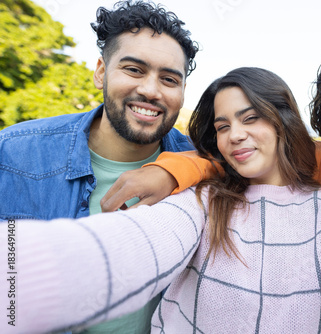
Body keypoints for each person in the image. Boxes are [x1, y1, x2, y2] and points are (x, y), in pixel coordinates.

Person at [2, 67, 321, 334]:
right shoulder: (200, 202)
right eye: (221, 126)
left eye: (250, 118)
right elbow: (124, 251)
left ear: (282, 117)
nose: (234, 136)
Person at [0, 0, 198, 333]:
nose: (150, 90)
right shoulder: (14, 152)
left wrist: (183, 169)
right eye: (134, 70)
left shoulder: (201, 166)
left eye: (168, 79)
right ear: (101, 72)